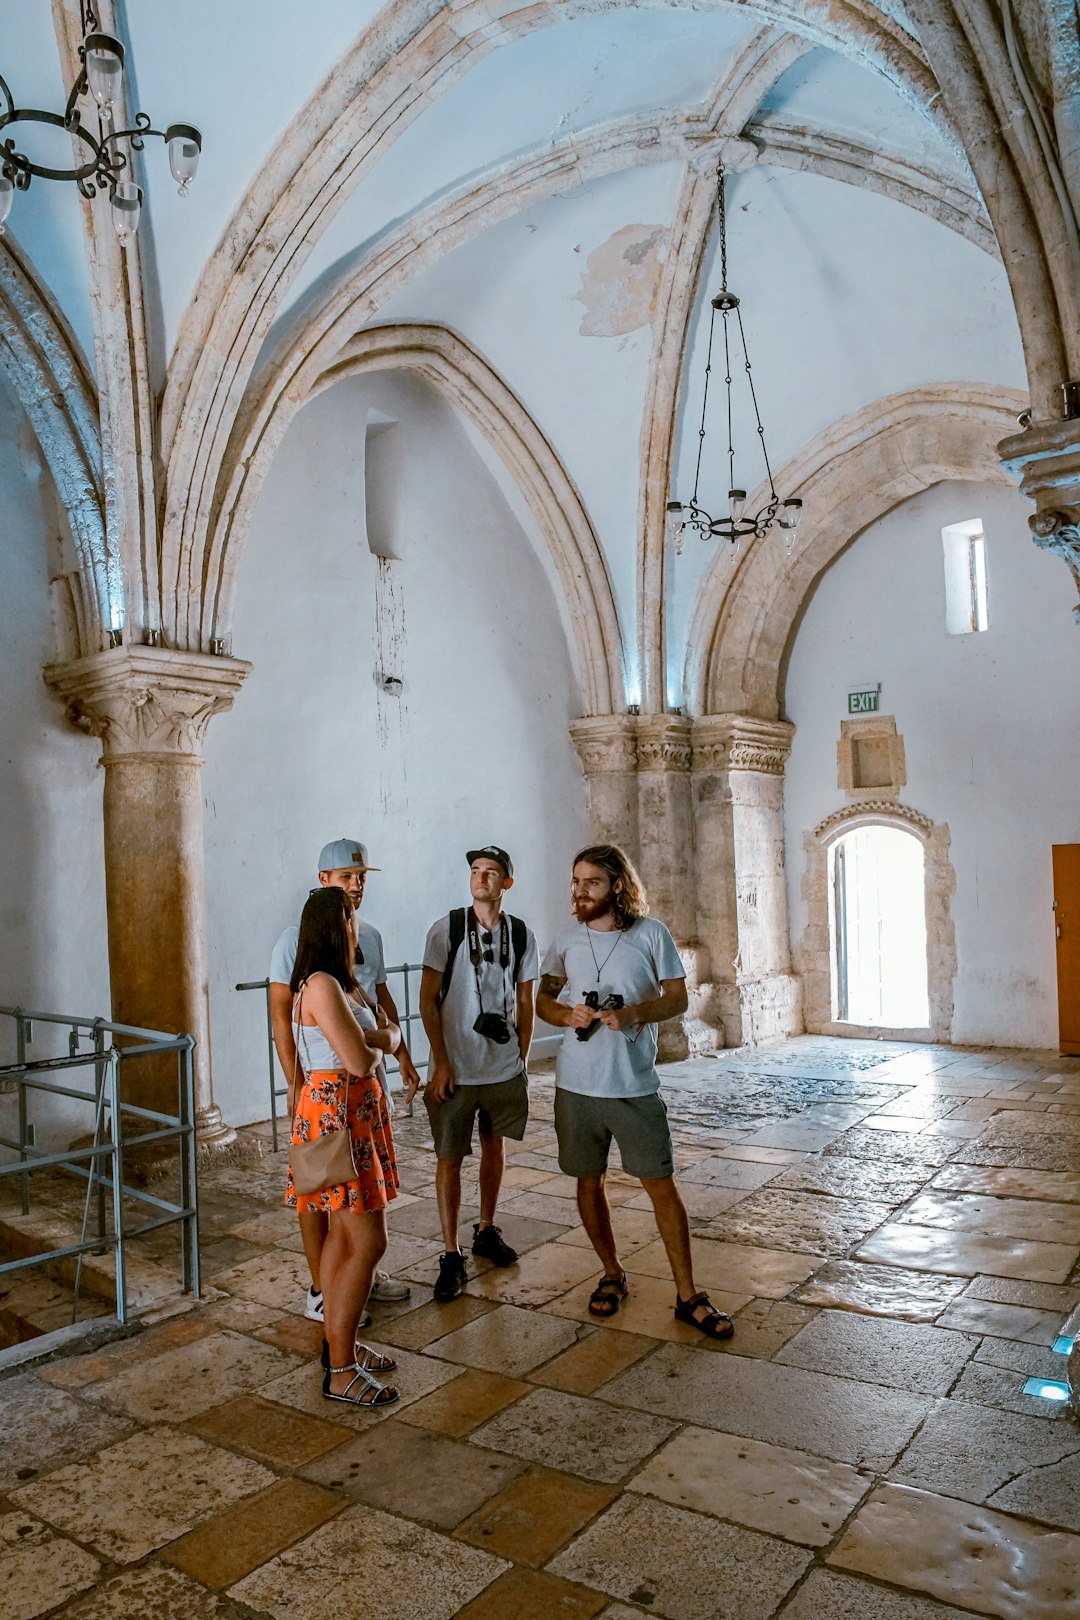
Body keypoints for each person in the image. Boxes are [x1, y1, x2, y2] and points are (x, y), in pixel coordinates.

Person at [536, 843, 734, 1339]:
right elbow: (541, 999)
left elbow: (677, 997)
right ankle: (611, 1272)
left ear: (618, 886)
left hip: (632, 1085)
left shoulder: (651, 935)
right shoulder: (565, 940)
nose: (580, 892)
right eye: (576, 882)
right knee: (587, 1181)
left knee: (660, 1185)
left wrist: (633, 1013)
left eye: (592, 883)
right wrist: (566, 1015)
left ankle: (688, 1294)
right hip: (575, 1086)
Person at [270, 838, 420, 1323]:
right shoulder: (309, 963)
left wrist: (398, 1049)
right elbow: (295, 1021)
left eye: (362, 877)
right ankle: (328, 1300)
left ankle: (348, 1300)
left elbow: (376, 1007)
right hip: (335, 1099)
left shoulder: (361, 947)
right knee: (338, 1207)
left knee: (350, 1221)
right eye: (346, 878)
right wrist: (295, 1079)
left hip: (358, 1098)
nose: (357, 886)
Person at [285, 886, 401, 1406]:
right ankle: (341, 1370)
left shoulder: (339, 985)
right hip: (339, 1116)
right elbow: (359, 1059)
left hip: (350, 1113)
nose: (358, 926)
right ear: (338, 927)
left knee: (341, 1239)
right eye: (352, 918)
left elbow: (371, 1039)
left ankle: (341, 1344)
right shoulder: (322, 986)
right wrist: (384, 1041)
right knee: (367, 1241)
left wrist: (380, 1040)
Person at [419, 846, 538, 1301]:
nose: (481, 879)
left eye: (491, 873)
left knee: (495, 1144)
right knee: (449, 1156)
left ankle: (486, 1228)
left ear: (507, 883)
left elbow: (525, 999)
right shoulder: (446, 929)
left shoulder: (522, 934)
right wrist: (441, 1060)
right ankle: (450, 1252)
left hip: (501, 1064)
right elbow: (428, 1000)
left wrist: (522, 1057)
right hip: (457, 1065)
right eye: (474, 871)